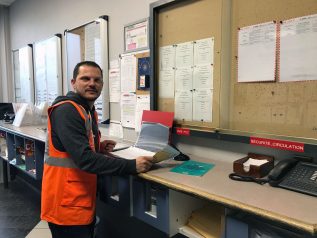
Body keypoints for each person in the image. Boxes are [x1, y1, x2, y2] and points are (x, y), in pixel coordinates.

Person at [41, 61, 154, 238]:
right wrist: (131, 166)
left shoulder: (86, 109)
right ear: (73, 82)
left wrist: (98, 147)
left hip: (78, 199)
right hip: (66, 205)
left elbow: (73, 148)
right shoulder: (67, 111)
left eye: (97, 80)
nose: (92, 83)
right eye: (85, 78)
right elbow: (85, 159)